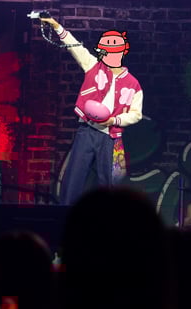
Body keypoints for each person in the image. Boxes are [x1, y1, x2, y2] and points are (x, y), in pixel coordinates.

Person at [39, 15, 143, 206]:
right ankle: (65, 214)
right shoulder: (93, 66)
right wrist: (56, 26)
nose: (108, 56)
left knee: (109, 182)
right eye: (105, 52)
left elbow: (136, 114)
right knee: (74, 178)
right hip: (87, 130)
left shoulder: (133, 84)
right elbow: (75, 47)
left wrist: (114, 121)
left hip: (111, 136)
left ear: (122, 52)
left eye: (113, 52)